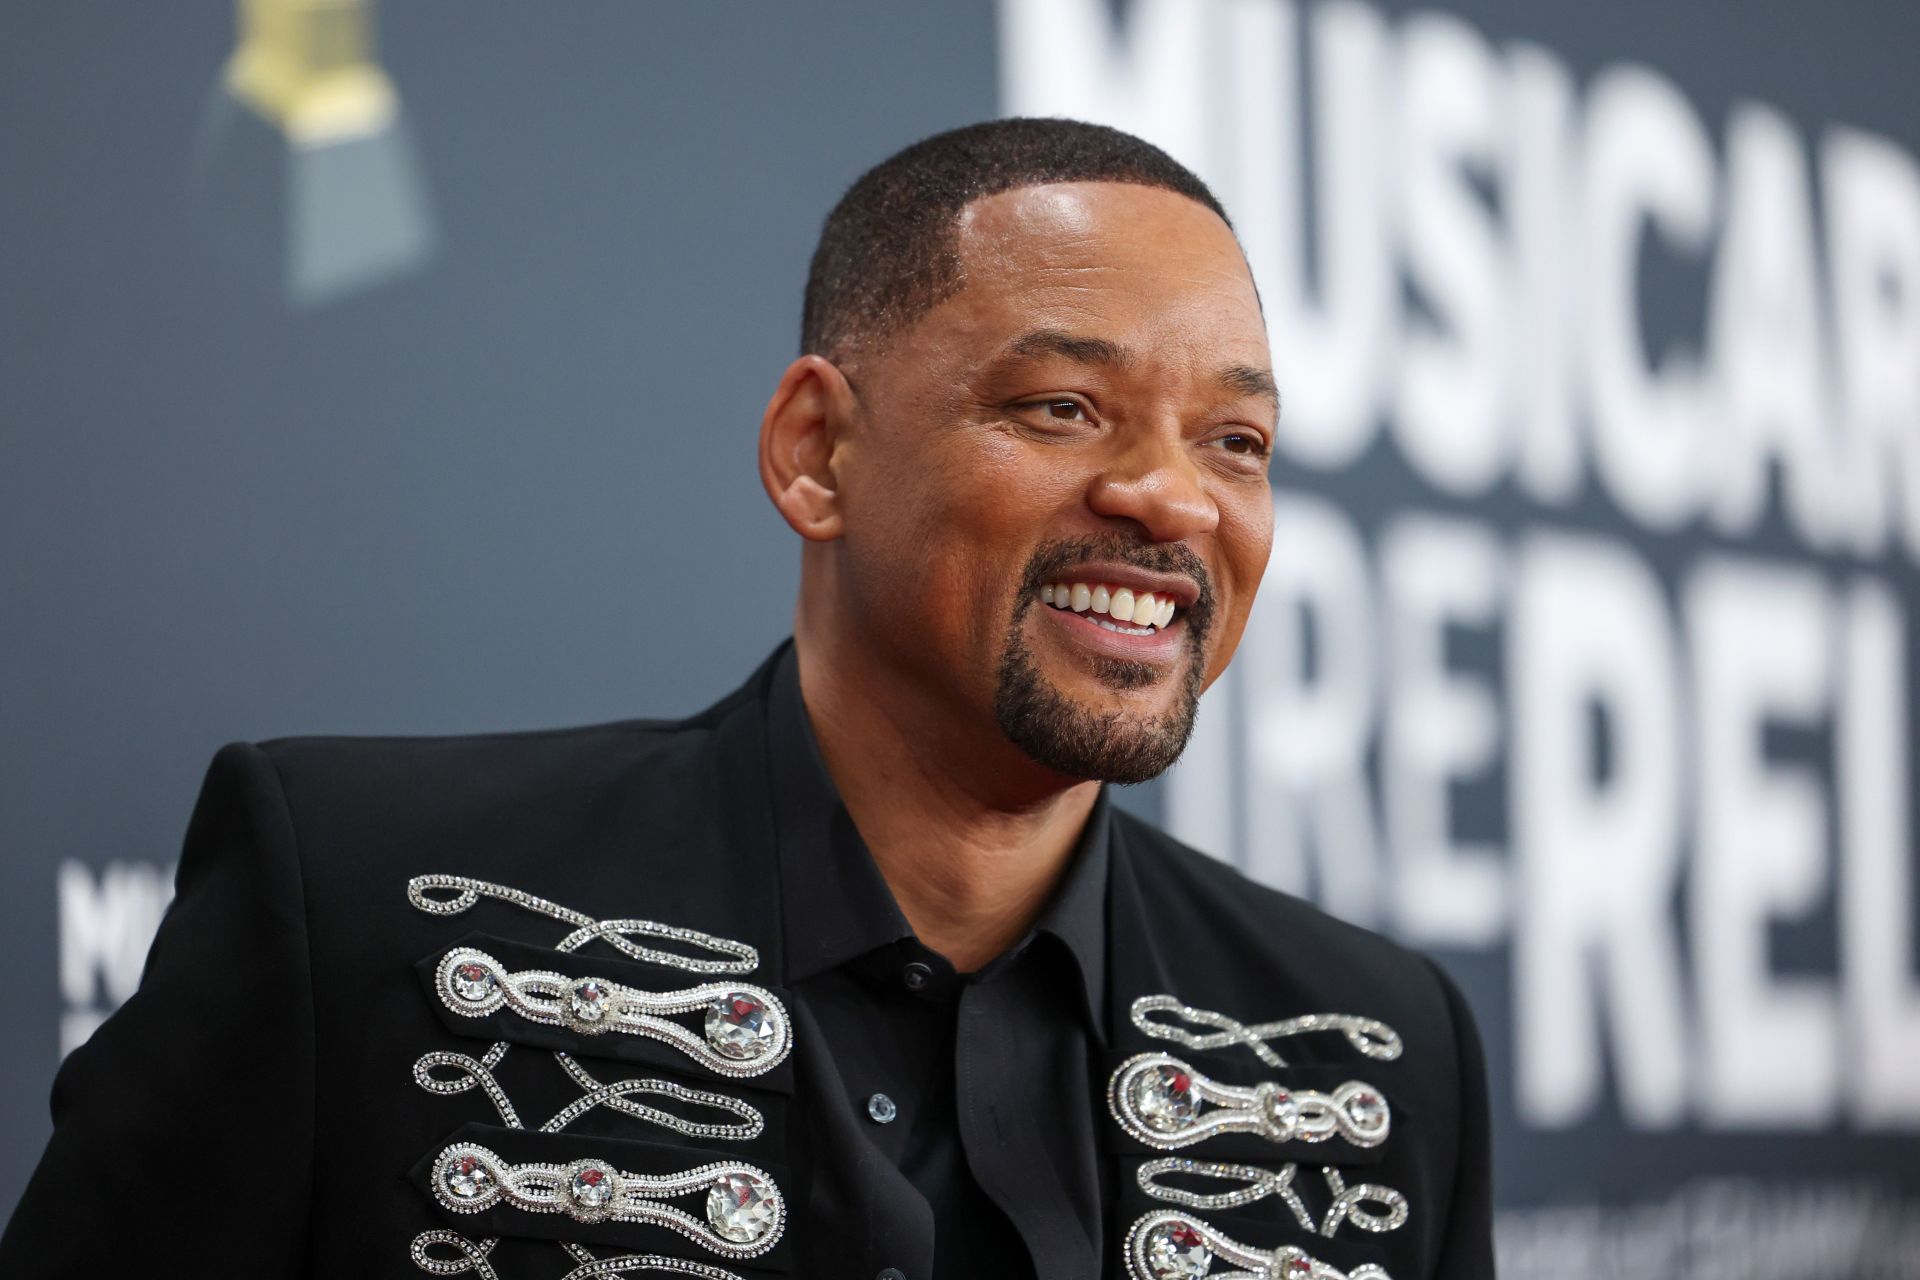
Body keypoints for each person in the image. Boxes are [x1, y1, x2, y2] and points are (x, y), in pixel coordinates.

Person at [0, 118, 1492, 1280]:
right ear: (815, 453)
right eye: (1063, 408)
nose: (1172, 497)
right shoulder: (359, 902)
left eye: (1237, 440)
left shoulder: (1376, 1040)